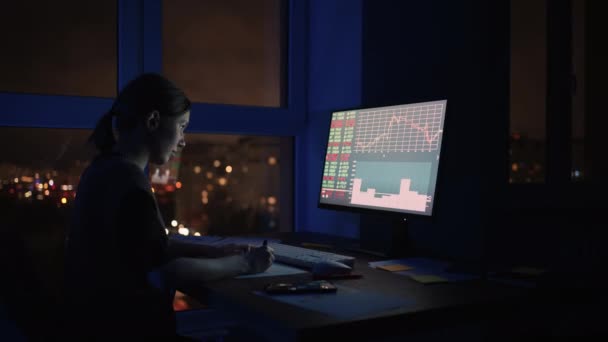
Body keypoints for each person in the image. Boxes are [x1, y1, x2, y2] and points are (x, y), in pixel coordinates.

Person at [64, 73, 274, 340]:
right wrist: (245, 264)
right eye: (182, 126)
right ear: (153, 121)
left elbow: (147, 246)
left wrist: (214, 251)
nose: (183, 140)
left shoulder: (103, 170)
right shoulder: (130, 184)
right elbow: (168, 273)